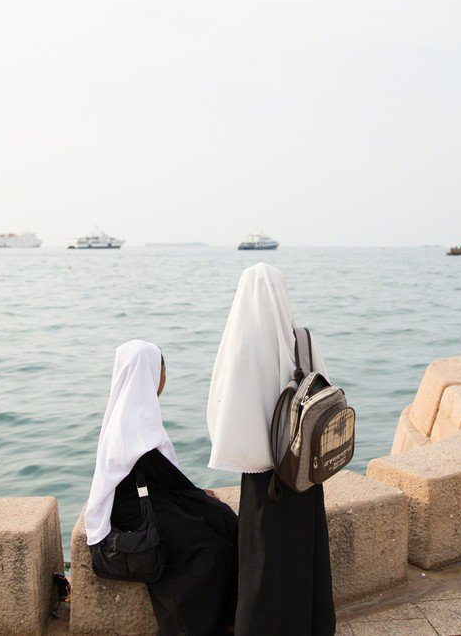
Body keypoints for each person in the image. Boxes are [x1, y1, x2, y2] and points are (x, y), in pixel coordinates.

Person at [207, 263, 335, 636]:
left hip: (265, 479)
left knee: (262, 564)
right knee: (304, 556)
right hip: (304, 474)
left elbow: (221, 413)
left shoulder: (240, 348)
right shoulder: (305, 341)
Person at [85, 340, 238, 636]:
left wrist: (194, 493)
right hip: (134, 507)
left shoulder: (135, 410)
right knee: (205, 545)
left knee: (223, 519)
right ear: (151, 373)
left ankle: (232, 613)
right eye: (162, 370)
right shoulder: (132, 418)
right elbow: (159, 471)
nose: (164, 378)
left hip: (152, 493)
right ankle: (192, 626)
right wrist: (193, 492)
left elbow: (162, 473)